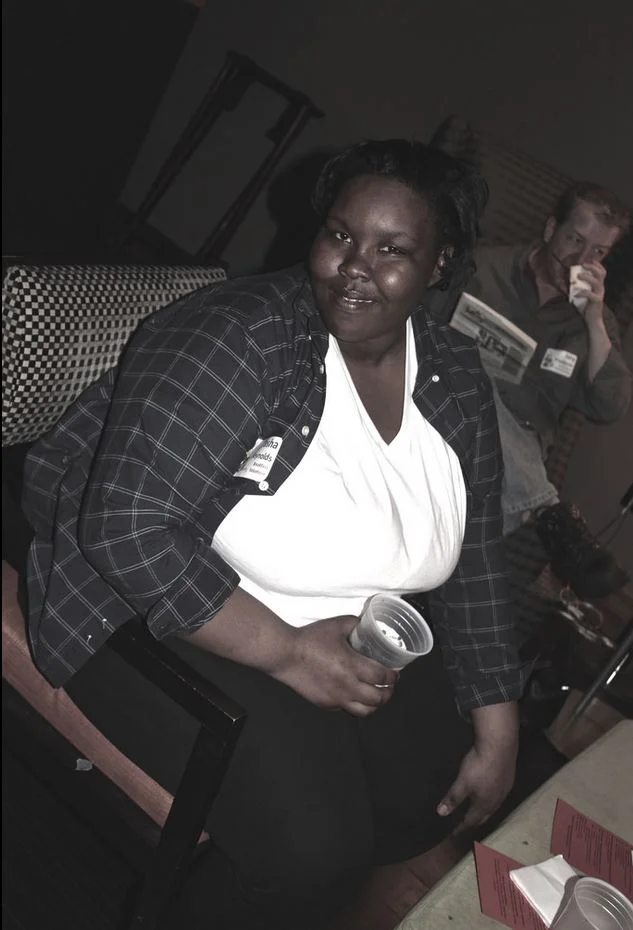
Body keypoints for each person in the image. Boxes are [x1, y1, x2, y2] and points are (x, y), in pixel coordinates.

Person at [22, 140, 526, 930]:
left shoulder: (455, 375)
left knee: (426, 796)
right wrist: (288, 652)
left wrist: (499, 723)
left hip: (342, 623)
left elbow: (479, 557)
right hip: (148, 606)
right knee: (310, 850)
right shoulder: (246, 335)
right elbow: (123, 526)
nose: (353, 267)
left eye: (391, 249)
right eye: (339, 234)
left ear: (439, 265)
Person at [431, 182, 632, 599]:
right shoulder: (482, 268)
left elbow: (610, 405)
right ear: (550, 229)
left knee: (473, 492)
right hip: (440, 409)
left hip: (512, 454)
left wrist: (594, 321)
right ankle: (546, 509)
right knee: (473, 380)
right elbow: (416, 329)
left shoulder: (596, 324)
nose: (581, 260)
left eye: (598, 252)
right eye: (575, 240)